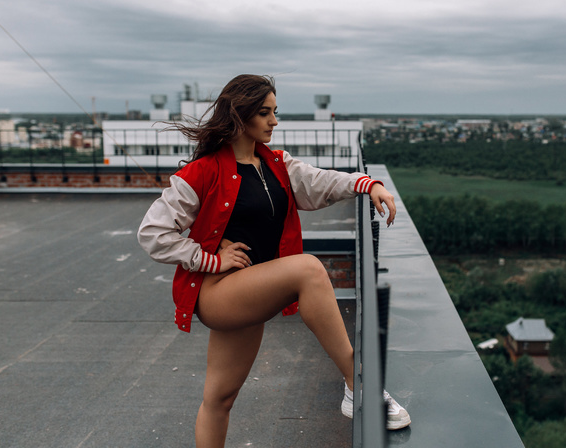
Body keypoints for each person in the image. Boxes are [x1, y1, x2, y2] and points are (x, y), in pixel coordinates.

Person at [137, 74, 410, 447]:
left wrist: (366, 183)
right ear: (240, 115)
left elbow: (321, 184)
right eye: (265, 113)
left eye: (275, 112)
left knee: (219, 400)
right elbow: (152, 233)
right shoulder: (202, 172)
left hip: (249, 290)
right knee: (309, 269)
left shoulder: (277, 164)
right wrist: (209, 259)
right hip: (218, 293)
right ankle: (359, 384)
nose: (274, 121)